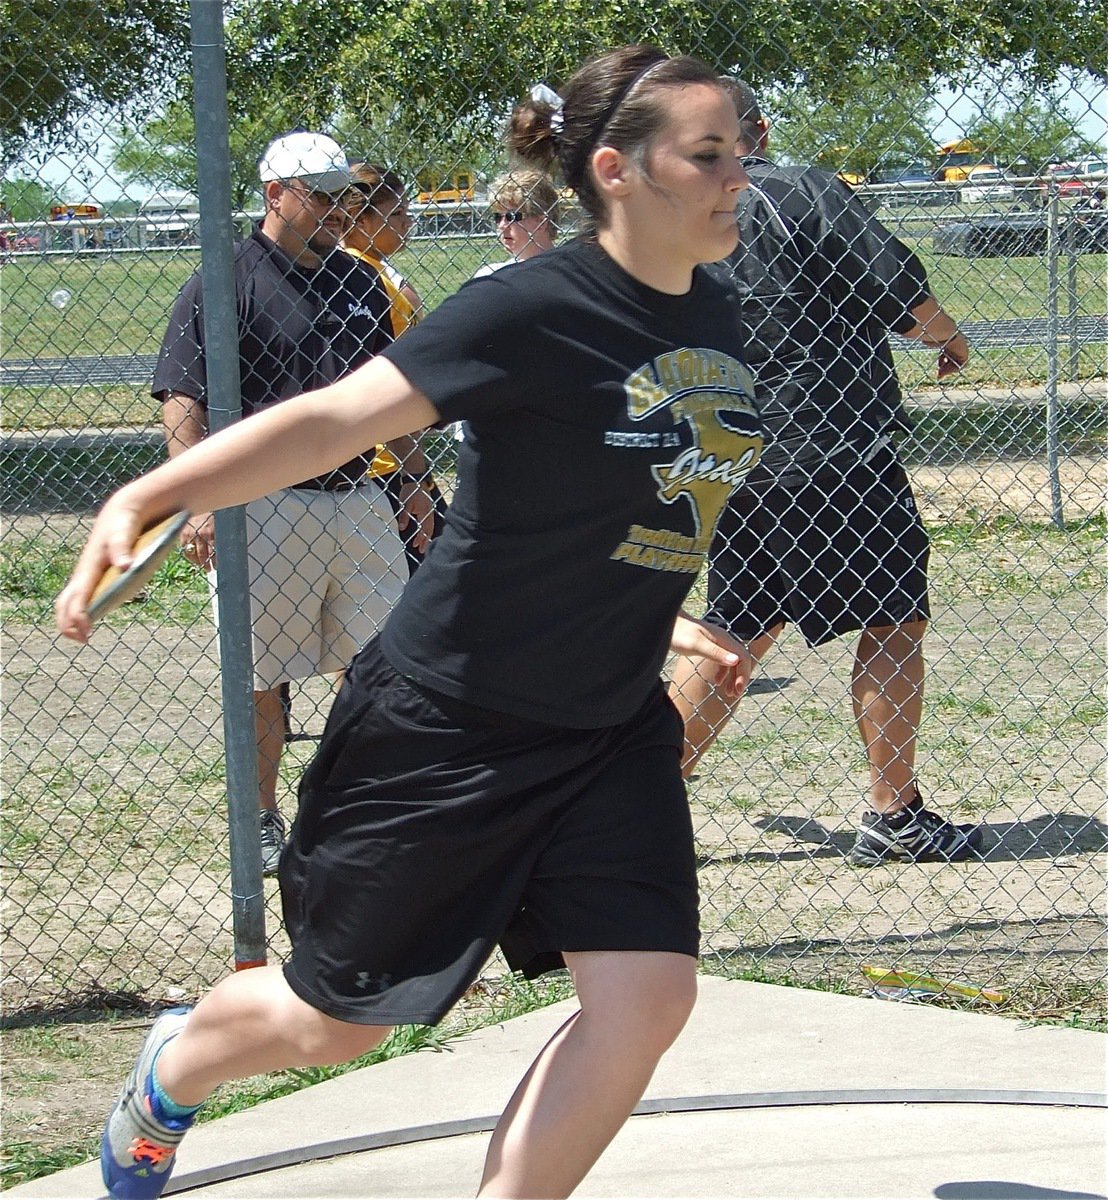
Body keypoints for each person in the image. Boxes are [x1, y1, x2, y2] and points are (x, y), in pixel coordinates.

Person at [57, 44, 761, 1200]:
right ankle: (171, 1074)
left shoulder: (720, 314)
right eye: (708, 153)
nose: (739, 174)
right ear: (616, 171)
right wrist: (154, 490)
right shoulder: (528, 306)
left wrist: (666, 616)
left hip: (603, 725)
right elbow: (335, 419)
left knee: (645, 997)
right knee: (335, 1024)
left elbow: (638, 491)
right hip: (449, 726)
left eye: (743, 148)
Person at [668, 79, 984, 867]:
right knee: (892, 618)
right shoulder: (794, 189)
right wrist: (950, 339)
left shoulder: (671, 208)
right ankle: (894, 811)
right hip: (833, 447)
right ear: (758, 130)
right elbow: (895, 286)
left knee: (733, 628)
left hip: (728, 449)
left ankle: (640, 805)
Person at [153, 130, 434, 874]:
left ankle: (362, 809)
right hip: (263, 505)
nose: (340, 208)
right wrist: (201, 500)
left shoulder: (359, 280)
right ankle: (263, 820)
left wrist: (411, 479)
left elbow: (393, 395)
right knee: (258, 676)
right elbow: (185, 399)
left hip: (359, 497)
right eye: (321, 194)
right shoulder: (226, 281)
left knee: (382, 664)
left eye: (346, 193)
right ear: (275, 194)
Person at [341, 161, 448, 574]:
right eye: (396, 213)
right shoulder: (362, 275)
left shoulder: (375, 268)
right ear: (361, 219)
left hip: (391, 449)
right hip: (387, 459)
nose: (408, 222)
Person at [473, 167, 560, 275]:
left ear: (541, 221)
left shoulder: (569, 271)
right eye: (498, 217)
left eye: (512, 217)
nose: (502, 225)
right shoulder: (491, 275)